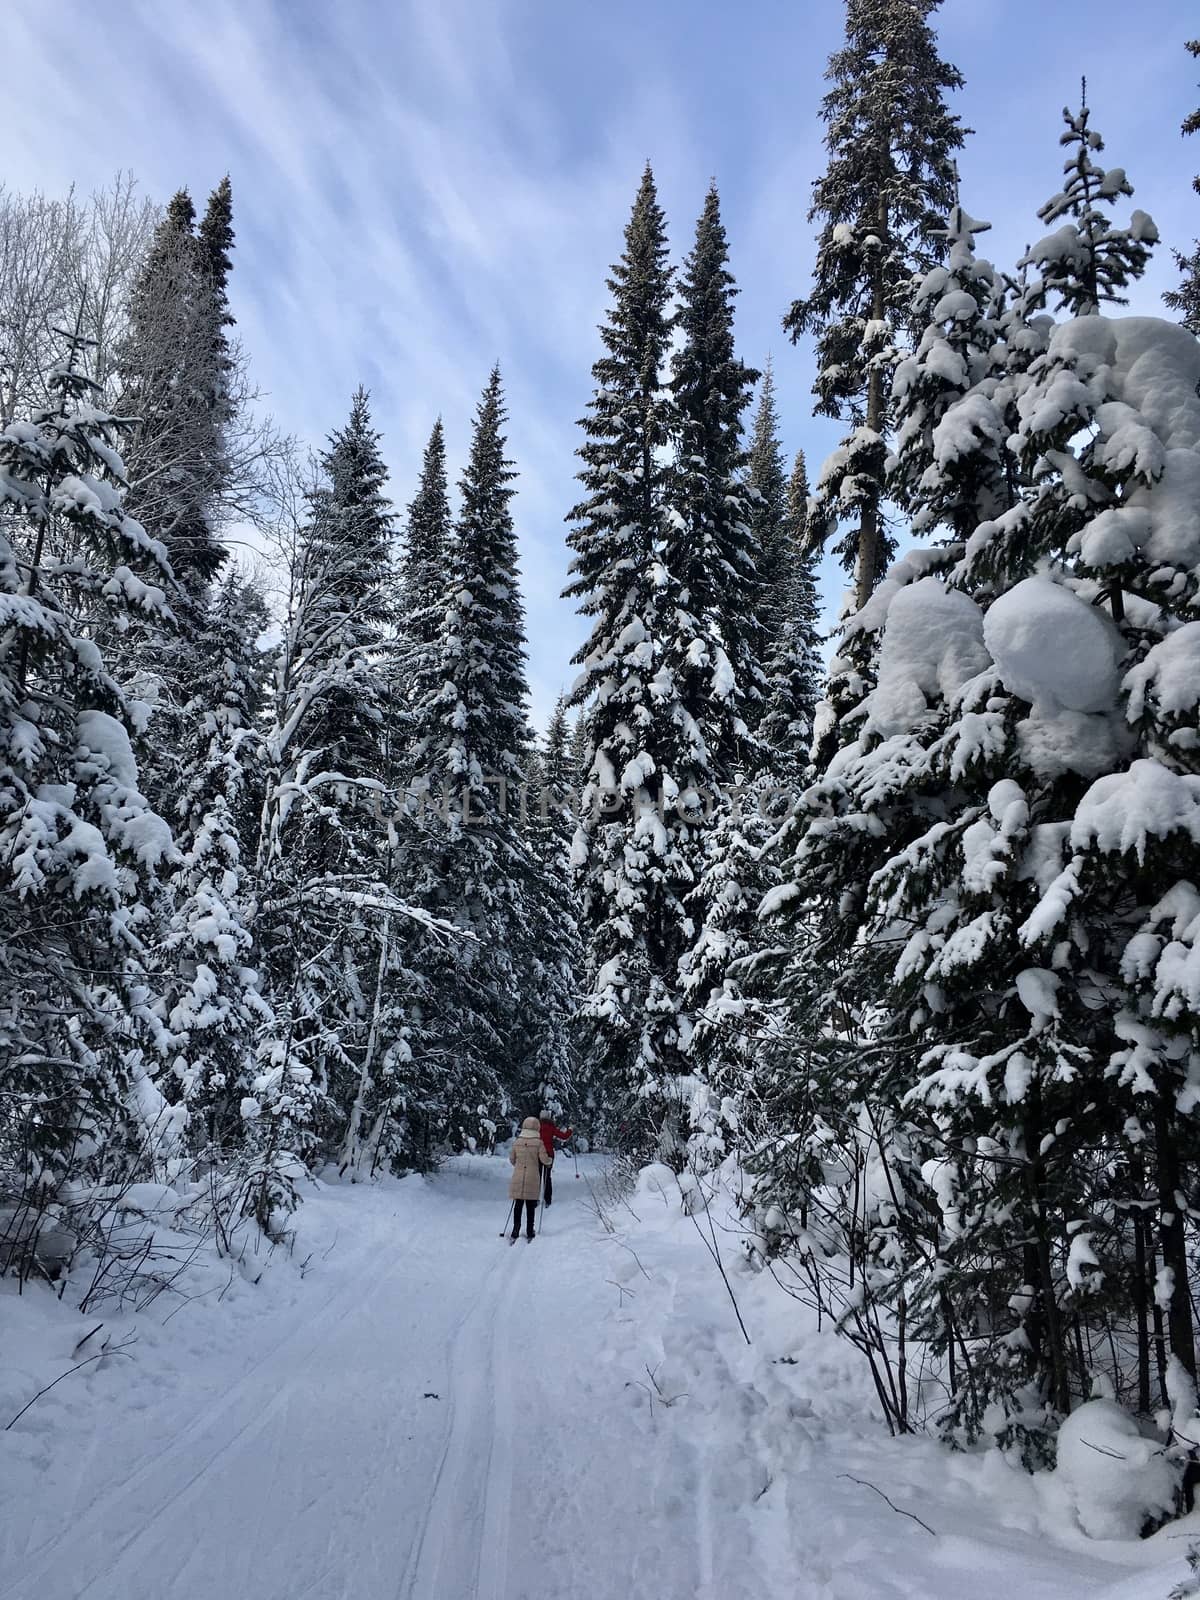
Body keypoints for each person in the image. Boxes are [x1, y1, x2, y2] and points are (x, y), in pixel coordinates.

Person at [509, 1116, 551, 1239]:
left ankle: (515, 1229)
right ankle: (529, 1230)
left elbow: (512, 1159)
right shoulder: (538, 1143)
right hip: (532, 1177)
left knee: (518, 1204)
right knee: (530, 1205)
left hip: (518, 1175)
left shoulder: (517, 1141)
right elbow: (544, 1159)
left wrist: (519, 1165)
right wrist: (549, 1161)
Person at [538, 1110, 573, 1206]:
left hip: (538, 1154)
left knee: (537, 1176)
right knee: (547, 1177)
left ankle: (534, 1199)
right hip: (549, 1154)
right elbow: (564, 1136)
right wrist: (570, 1130)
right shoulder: (551, 1127)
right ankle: (547, 1200)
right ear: (549, 1118)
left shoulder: (536, 1128)